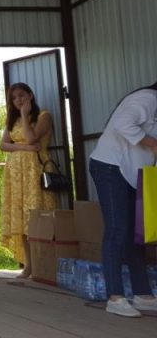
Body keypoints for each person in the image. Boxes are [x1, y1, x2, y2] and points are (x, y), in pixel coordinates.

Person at [88, 82, 157, 317]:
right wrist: (153, 144)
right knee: (117, 229)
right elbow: (122, 124)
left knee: (135, 233)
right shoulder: (148, 98)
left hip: (132, 172)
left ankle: (143, 295)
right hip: (109, 166)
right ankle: (115, 297)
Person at [0, 82, 58, 279]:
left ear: (30, 95)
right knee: (22, 218)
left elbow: (32, 138)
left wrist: (25, 115)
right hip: (16, 174)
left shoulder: (43, 116)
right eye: (14, 98)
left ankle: (44, 264)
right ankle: (28, 265)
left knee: (36, 215)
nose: (18, 100)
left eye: (22, 95)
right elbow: (3, 145)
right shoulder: (12, 121)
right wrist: (23, 148)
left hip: (34, 170)